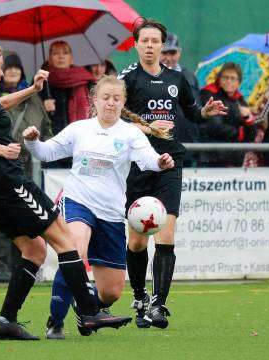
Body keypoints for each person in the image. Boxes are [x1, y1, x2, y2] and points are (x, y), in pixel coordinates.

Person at [0, 41, 131, 340]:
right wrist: (3, 150)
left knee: (34, 249)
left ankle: (6, 320)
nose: (1, 71)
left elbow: (0, 105)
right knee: (64, 238)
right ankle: (89, 312)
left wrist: (32, 90)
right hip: (8, 182)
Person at [23, 75, 174, 339]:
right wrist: (33, 141)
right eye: (106, 98)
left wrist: (160, 162)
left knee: (112, 292)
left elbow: (148, 158)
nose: (111, 103)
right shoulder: (79, 129)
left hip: (112, 213)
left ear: (123, 101)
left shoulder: (130, 133)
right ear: (95, 99)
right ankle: (55, 322)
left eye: (116, 99)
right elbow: (45, 153)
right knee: (75, 253)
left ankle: (87, 311)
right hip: (78, 201)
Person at [117, 19, 227, 329]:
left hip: (169, 160)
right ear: (136, 44)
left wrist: (207, 111)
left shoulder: (176, 79)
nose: (150, 45)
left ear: (162, 45)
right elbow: (111, 119)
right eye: (145, 41)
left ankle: (159, 305)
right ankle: (139, 297)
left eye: (156, 41)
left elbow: (192, 112)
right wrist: (148, 128)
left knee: (166, 233)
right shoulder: (127, 79)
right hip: (139, 164)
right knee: (137, 241)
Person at [0, 53, 53, 283]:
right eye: (8, 68)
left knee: (21, 217)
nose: (12, 72)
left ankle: (18, 262)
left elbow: (46, 127)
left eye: (16, 68)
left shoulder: (34, 98)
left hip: (27, 164)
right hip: (0, 164)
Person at [41, 41, 96, 168]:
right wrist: (42, 106)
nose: (61, 57)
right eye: (56, 53)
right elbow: (32, 110)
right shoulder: (42, 80)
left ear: (71, 58)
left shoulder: (86, 79)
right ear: (50, 58)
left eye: (65, 53)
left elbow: (96, 109)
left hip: (82, 143)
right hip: (52, 143)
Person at [198, 62, 257, 167]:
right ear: (219, 79)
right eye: (225, 77)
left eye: (233, 78)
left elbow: (251, 136)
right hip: (212, 157)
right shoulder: (209, 94)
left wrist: (248, 119)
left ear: (239, 83)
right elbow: (213, 126)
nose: (229, 81)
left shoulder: (239, 99)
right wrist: (239, 133)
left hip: (235, 158)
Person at [159, 32, 201, 167]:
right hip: (160, 148)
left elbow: (195, 110)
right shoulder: (148, 76)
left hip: (186, 146)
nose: (168, 57)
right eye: (164, 53)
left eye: (172, 53)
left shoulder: (189, 77)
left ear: (179, 53)